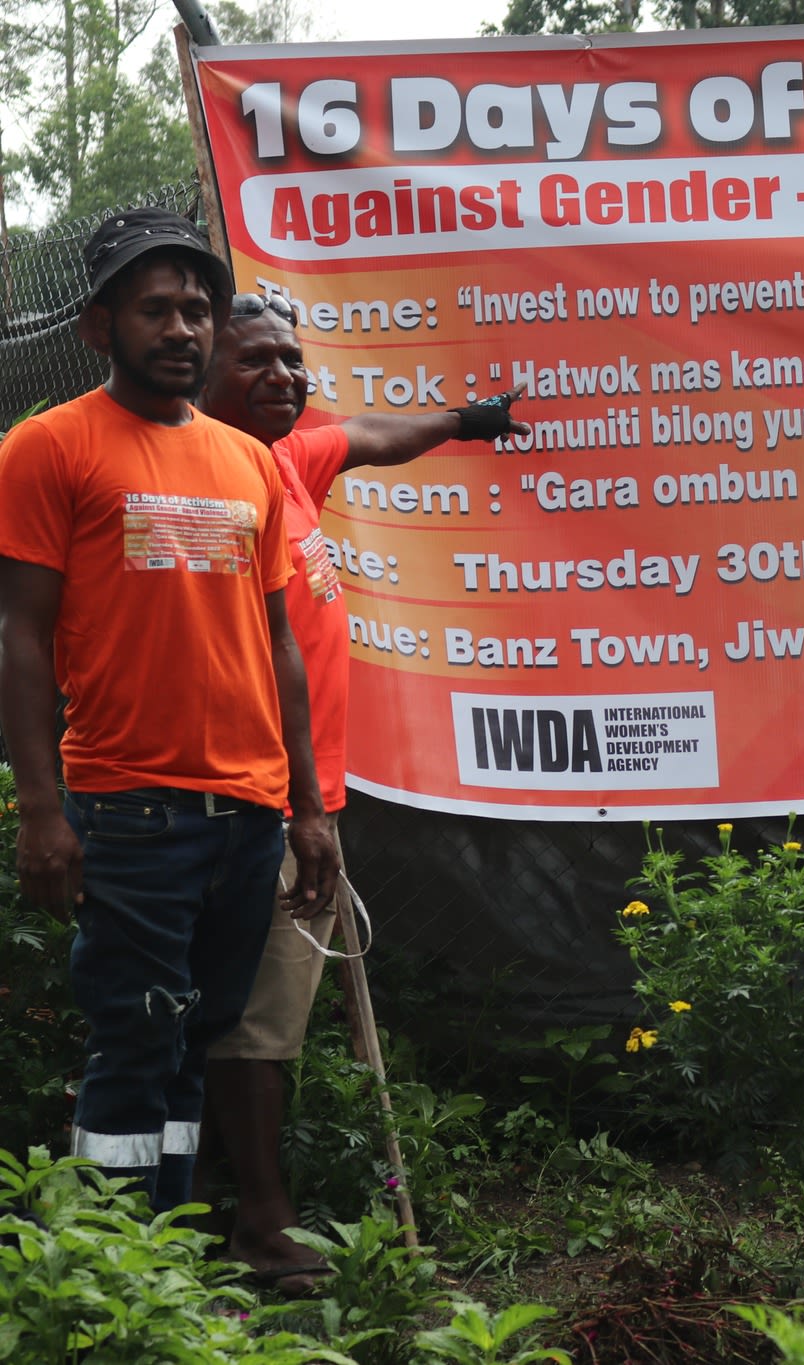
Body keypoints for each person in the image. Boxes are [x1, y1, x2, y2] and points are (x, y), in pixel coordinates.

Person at [0, 208, 341, 1212]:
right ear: (99, 327)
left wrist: (309, 808)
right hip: (129, 808)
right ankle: (111, 1273)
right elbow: (19, 637)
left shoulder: (248, 463)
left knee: (195, 1039)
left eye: (197, 310)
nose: (184, 329)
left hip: (247, 812)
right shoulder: (47, 448)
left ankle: (175, 1249)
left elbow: (279, 642)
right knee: (135, 1039)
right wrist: (42, 811)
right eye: (157, 309)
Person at [194, 291, 525, 1290]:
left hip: (300, 798)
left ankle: (212, 1217)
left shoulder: (290, 462)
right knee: (254, 1021)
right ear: (200, 376)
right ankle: (258, 1225)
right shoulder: (208, 486)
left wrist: (467, 423)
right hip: (246, 800)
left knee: (252, 1017)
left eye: (294, 361)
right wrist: (296, 806)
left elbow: (376, 433)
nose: (286, 378)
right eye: (258, 362)